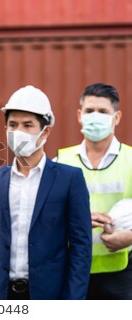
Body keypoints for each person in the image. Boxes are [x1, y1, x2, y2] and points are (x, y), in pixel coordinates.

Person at [0, 85, 92, 299]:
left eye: (28, 125)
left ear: (45, 131)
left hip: (49, 295)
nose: (19, 132)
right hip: (0, 294)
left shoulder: (69, 179)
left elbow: (81, 247)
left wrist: (72, 302)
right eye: (13, 125)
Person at [56, 83, 132, 299]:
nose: (95, 116)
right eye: (90, 111)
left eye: (103, 111)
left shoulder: (131, 159)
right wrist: (79, 219)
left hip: (122, 273)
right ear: (79, 115)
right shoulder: (62, 160)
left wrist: (129, 237)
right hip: (72, 271)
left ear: (116, 117)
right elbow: (45, 216)